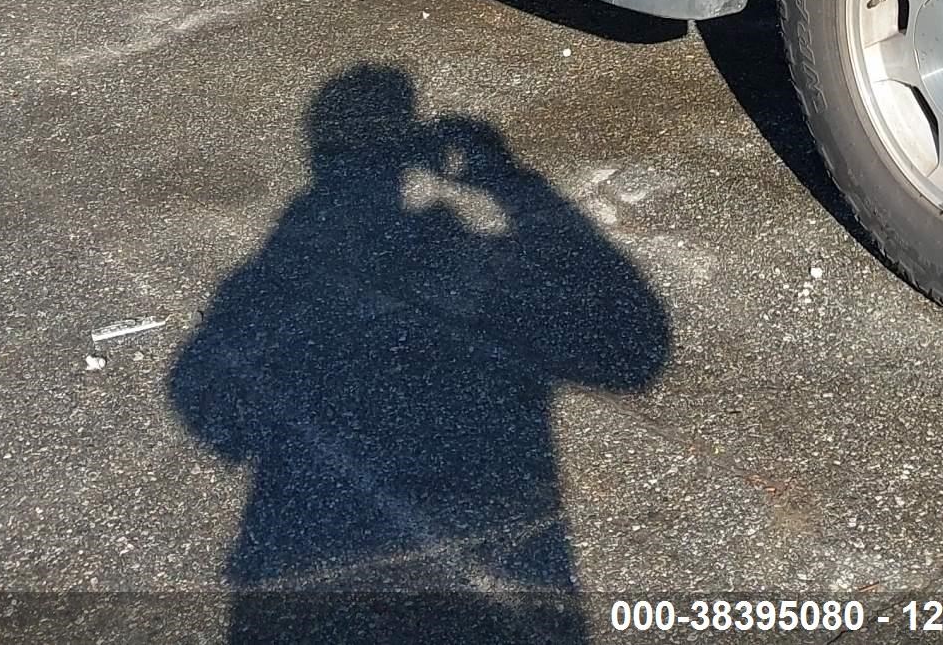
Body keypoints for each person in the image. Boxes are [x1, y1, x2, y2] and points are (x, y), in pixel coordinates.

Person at [171, 66, 670, 644]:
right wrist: (505, 181)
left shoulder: (280, 254)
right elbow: (635, 353)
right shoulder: (302, 247)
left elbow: (205, 400)